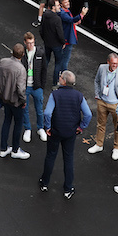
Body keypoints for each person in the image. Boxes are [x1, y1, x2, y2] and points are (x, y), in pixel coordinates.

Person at [38, 69, 91, 199]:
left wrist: (48, 127)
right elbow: (88, 114)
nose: (59, 78)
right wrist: (81, 127)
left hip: (55, 131)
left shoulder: (55, 94)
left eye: (61, 77)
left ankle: (44, 183)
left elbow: (47, 113)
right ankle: (68, 188)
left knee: (51, 155)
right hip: (71, 132)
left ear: (64, 81)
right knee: (68, 158)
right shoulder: (79, 96)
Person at [0, 43, 31, 160]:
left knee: (7, 121)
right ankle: (15, 149)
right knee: (18, 124)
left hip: (4, 97)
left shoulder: (4, 61)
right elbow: (20, 88)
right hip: (15, 101)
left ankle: (3, 148)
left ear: (12, 53)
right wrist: (23, 100)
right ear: (23, 55)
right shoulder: (21, 69)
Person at [90, 53, 118, 160]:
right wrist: (97, 95)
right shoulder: (102, 68)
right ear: (108, 62)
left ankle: (116, 148)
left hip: (115, 105)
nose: (115, 66)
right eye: (113, 63)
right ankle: (99, 145)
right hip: (102, 102)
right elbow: (97, 81)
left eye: (116, 64)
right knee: (100, 124)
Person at [21, 32, 46, 143]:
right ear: (25, 43)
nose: (31, 45)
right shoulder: (22, 53)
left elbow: (44, 70)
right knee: (24, 109)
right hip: (25, 86)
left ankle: (40, 128)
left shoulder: (40, 52)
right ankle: (28, 129)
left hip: (37, 86)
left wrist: (42, 85)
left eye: (32, 43)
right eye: (29, 43)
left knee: (39, 110)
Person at [56, 0, 87, 82]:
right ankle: (63, 77)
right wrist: (81, 15)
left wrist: (75, 22)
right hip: (67, 40)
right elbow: (70, 20)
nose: (68, 3)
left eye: (68, 1)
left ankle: (60, 75)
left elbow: (70, 21)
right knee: (64, 60)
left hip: (67, 38)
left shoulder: (65, 10)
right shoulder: (62, 13)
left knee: (63, 59)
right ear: (61, 4)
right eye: (65, 2)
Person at [40, 0, 67, 86]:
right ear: (53, 7)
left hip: (47, 43)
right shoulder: (57, 19)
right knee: (58, 63)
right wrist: (63, 42)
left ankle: (41, 79)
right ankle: (55, 83)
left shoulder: (44, 15)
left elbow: (41, 30)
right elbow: (60, 33)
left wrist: (45, 39)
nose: (59, 6)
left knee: (46, 60)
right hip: (56, 45)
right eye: (58, 5)